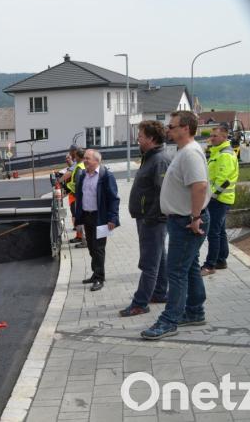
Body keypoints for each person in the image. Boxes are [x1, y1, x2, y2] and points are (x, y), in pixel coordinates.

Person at [141, 111, 211, 340]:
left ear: (186, 128)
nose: (168, 130)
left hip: (186, 222)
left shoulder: (190, 154)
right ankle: (194, 311)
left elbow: (199, 186)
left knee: (176, 272)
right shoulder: (183, 151)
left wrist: (195, 217)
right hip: (182, 220)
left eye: (172, 126)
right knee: (189, 268)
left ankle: (169, 321)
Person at [120, 120, 171, 317]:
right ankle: (159, 293)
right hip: (148, 218)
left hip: (153, 220)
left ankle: (140, 303)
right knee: (160, 258)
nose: (137, 140)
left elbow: (162, 193)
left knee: (149, 262)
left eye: (140, 136)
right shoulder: (150, 157)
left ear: (151, 138)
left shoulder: (159, 160)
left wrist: (151, 217)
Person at [73, 149, 120, 291]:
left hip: (101, 218)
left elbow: (113, 198)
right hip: (87, 216)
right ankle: (95, 273)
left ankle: (100, 278)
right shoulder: (83, 176)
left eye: (88, 158)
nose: (85, 161)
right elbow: (80, 197)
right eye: (85, 158)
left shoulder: (106, 176)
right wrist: (77, 216)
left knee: (99, 248)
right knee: (91, 247)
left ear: (96, 160)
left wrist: (112, 218)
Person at [200, 123, 239, 276]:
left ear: (224, 136)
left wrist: (211, 196)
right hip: (221, 198)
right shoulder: (218, 152)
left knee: (213, 232)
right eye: (211, 135)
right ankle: (221, 260)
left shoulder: (224, 155)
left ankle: (210, 265)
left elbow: (224, 180)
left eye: (215, 136)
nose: (212, 138)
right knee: (220, 231)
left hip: (219, 199)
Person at [60, 146, 85, 245]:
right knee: (76, 216)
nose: (71, 155)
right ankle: (79, 236)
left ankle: (83, 239)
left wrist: (60, 182)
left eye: (71, 153)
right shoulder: (78, 165)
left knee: (78, 217)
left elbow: (75, 182)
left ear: (76, 154)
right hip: (75, 194)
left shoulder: (79, 166)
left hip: (77, 195)